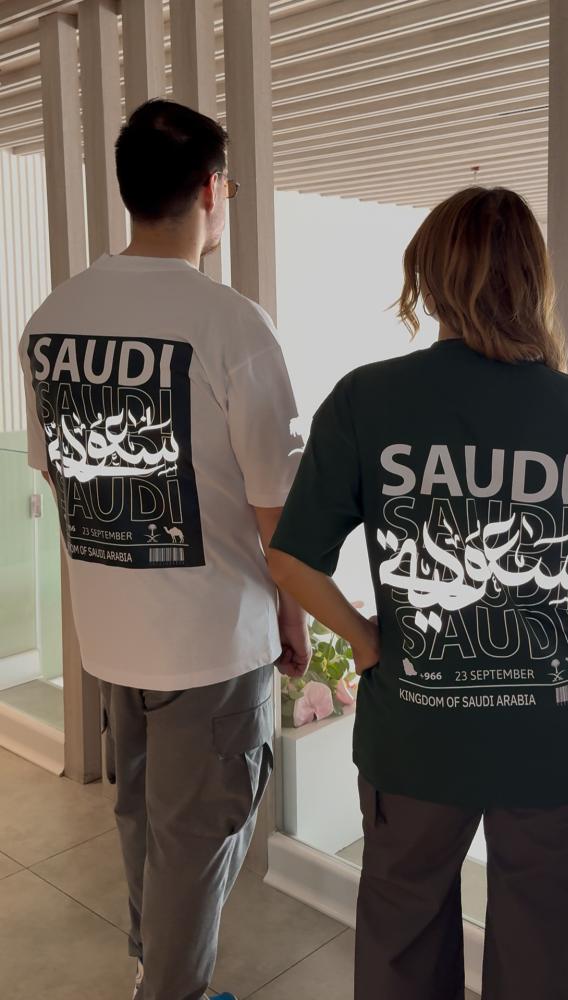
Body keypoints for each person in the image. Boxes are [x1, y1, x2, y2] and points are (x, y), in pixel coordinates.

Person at [267, 187, 568, 1000]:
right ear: (534, 280)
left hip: (417, 734)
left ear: (427, 278)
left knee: (400, 942)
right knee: (541, 954)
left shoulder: (364, 398)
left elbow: (290, 561)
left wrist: (365, 639)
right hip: (558, 739)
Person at [19, 99, 310, 1000]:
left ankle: (152, 968)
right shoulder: (233, 325)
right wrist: (295, 616)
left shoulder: (51, 320)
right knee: (199, 839)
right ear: (212, 191)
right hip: (211, 642)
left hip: (112, 636)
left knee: (142, 818)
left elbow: (62, 477)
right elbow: (277, 512)